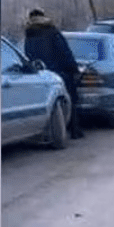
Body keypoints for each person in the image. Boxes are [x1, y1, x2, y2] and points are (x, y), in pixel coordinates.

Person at [23, 9, 85, 139]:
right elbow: (64, 51)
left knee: (47, 104)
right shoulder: (51, 30)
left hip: (40, 74)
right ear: (43, 16)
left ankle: (48, 132)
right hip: (59, 71)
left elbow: (27, 55)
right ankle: (74, 130)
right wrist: (74, 69)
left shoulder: (29, 34)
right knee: (70, 99)